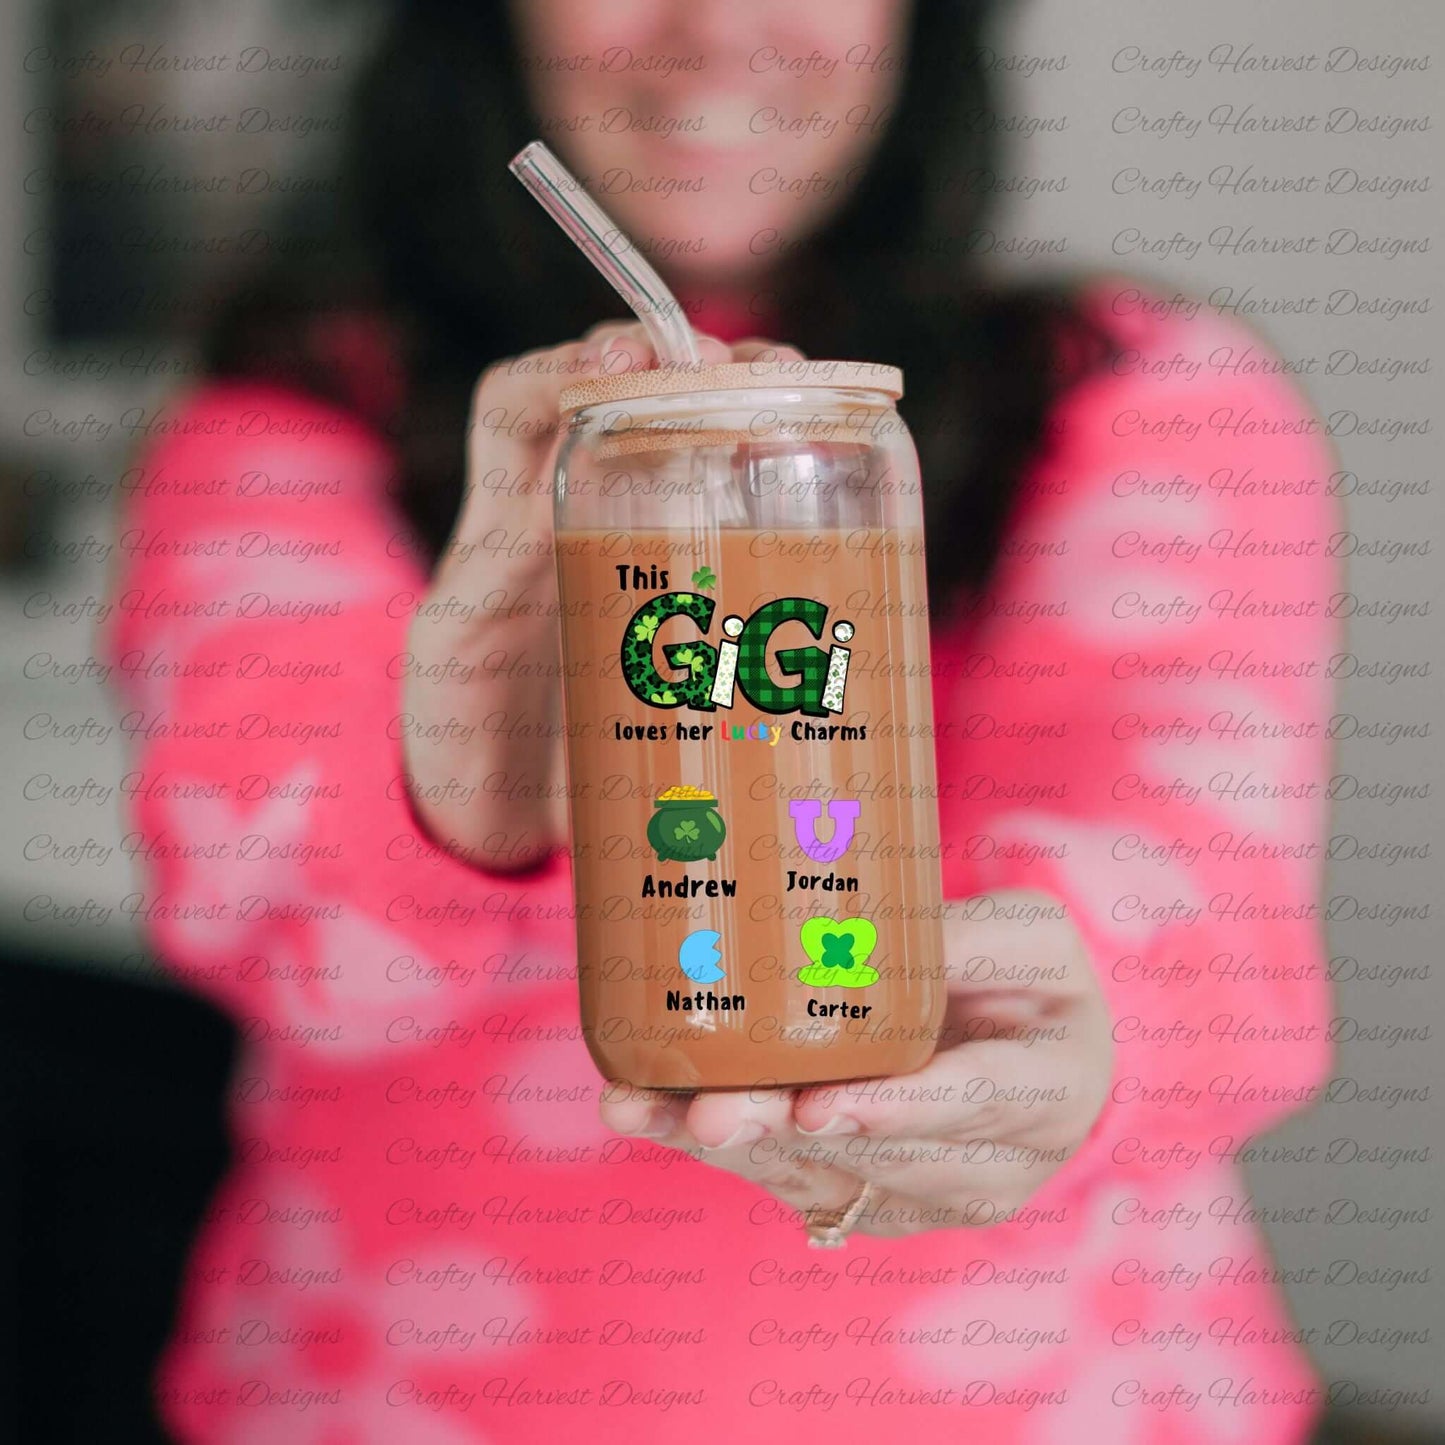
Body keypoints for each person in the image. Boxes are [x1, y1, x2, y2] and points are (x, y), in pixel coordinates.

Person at [106, 1, 1336, 1441]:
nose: (713, 26)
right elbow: (276, 914)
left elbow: (1196, 877)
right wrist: (456, 793)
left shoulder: (1133, 393)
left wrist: (1071, 1031)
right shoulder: (286, 421)